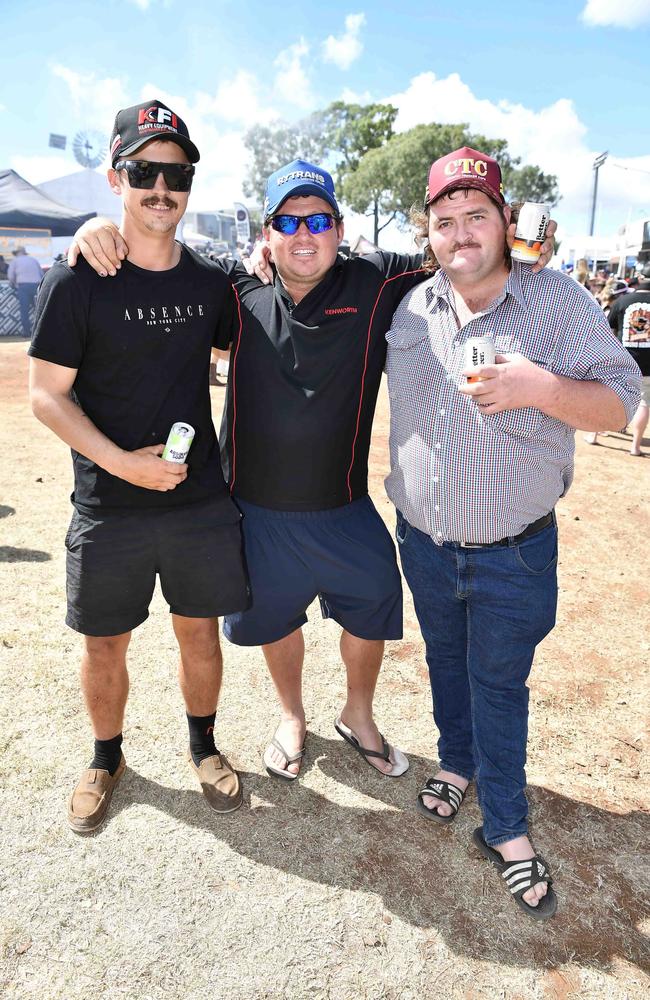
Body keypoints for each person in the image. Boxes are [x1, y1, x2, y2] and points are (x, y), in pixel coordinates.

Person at [69, 155, 557, 787]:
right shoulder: (233, 292)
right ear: (266, 235)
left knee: (374, 605)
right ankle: (292, 716)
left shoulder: (377, 281)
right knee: (278, 619)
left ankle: (358, 714)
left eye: (319, 219)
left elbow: (464, 248)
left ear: (340, 226)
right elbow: (158, 264)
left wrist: (526, 245)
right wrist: (90, 233)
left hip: (346, 503)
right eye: (289, 222)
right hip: (257, 508)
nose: (305, 235)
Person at [384, 147, 641, 920]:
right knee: (445, 662)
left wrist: (543, 388)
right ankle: (455, 764)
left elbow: (622, 400)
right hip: (423, 542)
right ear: (428, 231)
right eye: (445, 220)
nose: (461, 234)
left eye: (476, 216)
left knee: (500, 684)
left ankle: (506, 826)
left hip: (513, 552)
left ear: (505, 221)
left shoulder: (557, 300)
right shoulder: (407, 305)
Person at [29, 99, 250, 833]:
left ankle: (204, 747)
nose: (162, 188)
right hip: (109, 505)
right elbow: (47, 397)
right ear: (116, 177)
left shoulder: (212, 283)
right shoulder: (77, 281)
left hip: (197, 503)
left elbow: (259, 341)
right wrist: (122, 464)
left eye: (176, 174)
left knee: (199, 632)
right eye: (144, 171)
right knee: (104, 642)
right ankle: (105, 757)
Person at [604, 261, 650, 455]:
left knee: (610, 395)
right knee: (645, 403)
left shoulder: (623, 301)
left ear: (640, 278)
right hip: (649, 363)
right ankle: (635, 446)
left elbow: (608, 329)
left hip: (624, 360)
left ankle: (597, 433)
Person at [8, 246, 43, 335]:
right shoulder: (33, 260)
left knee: (24, 310)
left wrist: (12, 284)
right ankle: (42, 332)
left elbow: (11, 276)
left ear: (17, 253)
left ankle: (26, 332)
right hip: (36, 286)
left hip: (23, 287)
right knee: (40, 309)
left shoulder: (15, 261)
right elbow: (41, 274)